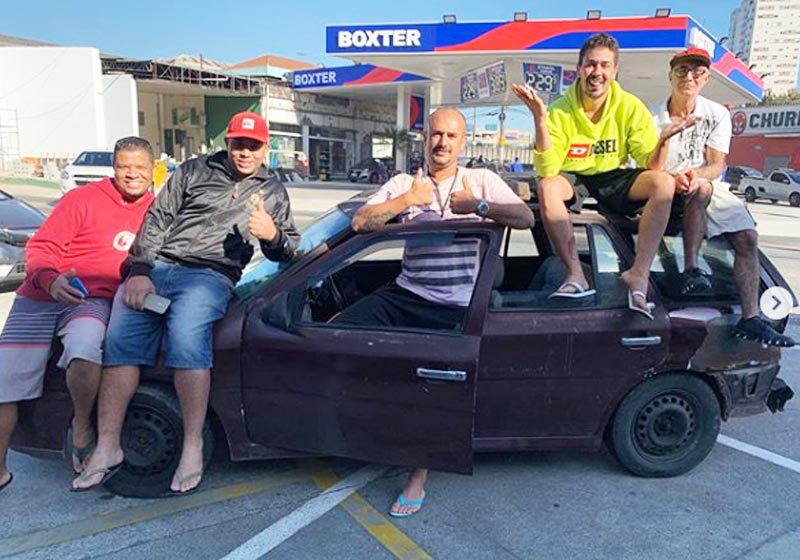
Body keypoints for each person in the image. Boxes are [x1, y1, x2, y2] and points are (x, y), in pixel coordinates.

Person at [73, 112, 300, 493]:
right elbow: (157, 219)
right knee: (120, 341)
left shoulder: (273, 191)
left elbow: (290, 250)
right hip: (159, 267)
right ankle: (108, 445)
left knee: (186, 338)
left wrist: (272, 234)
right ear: (227, 142)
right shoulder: (194, 170)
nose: (244, 152)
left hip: (210, 276)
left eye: (253, 145)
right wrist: (140, 269)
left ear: (265, 148)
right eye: (238, 143)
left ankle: (192, 445)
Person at [339, 107, 534, 517]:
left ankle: (418, 473)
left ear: (463, 142)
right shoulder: (402, 182)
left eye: (451, 136)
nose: (442, 143)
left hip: (457, 306)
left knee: (428, 391)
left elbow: (525, 217)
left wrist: (478, 206)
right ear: (424, 139)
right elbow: (360, 222)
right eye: (435, 135)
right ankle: (360, 429)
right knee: (335, 336)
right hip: (407, 295)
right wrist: (409, 199)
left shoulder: (480, 180)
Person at [0, 137, 155, 492]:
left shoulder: (157, 211)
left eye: (140, 167)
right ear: (114, 168)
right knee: (4, 382)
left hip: (92, 300)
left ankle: (82, 426)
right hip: (41, 295)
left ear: (152, 170)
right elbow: (41, 247)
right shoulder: (82, 199)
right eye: (124, 167)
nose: (132, 175)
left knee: (86, 349)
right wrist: (50, 280)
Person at [512, 33, 692, 318]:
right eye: (591, 64)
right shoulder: (560, 109)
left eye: (604, 65)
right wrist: (540, 120)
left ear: (615, 71)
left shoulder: (630, 106)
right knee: (547, 187)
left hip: (613, 176)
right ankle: (575, 275)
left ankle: (639, 275)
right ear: (580, 68)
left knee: (664, 182)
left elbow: (652, 165)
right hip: (574, 176)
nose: (597, 72)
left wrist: (664, 140)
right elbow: (548, 169)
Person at [650, 47, 794, 346]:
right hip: (659, 181)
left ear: (706, 78)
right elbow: (645, 162)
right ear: (671, 76)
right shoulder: (653, 114)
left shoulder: (717, 114)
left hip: (703, 184)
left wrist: (694, 175)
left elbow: (716, 165)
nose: (688, 77)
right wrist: (672, 177)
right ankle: (691, 269)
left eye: (697, 72)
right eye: (681, 70)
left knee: (747, 238)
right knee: (695, 189)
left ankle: (751, 317)